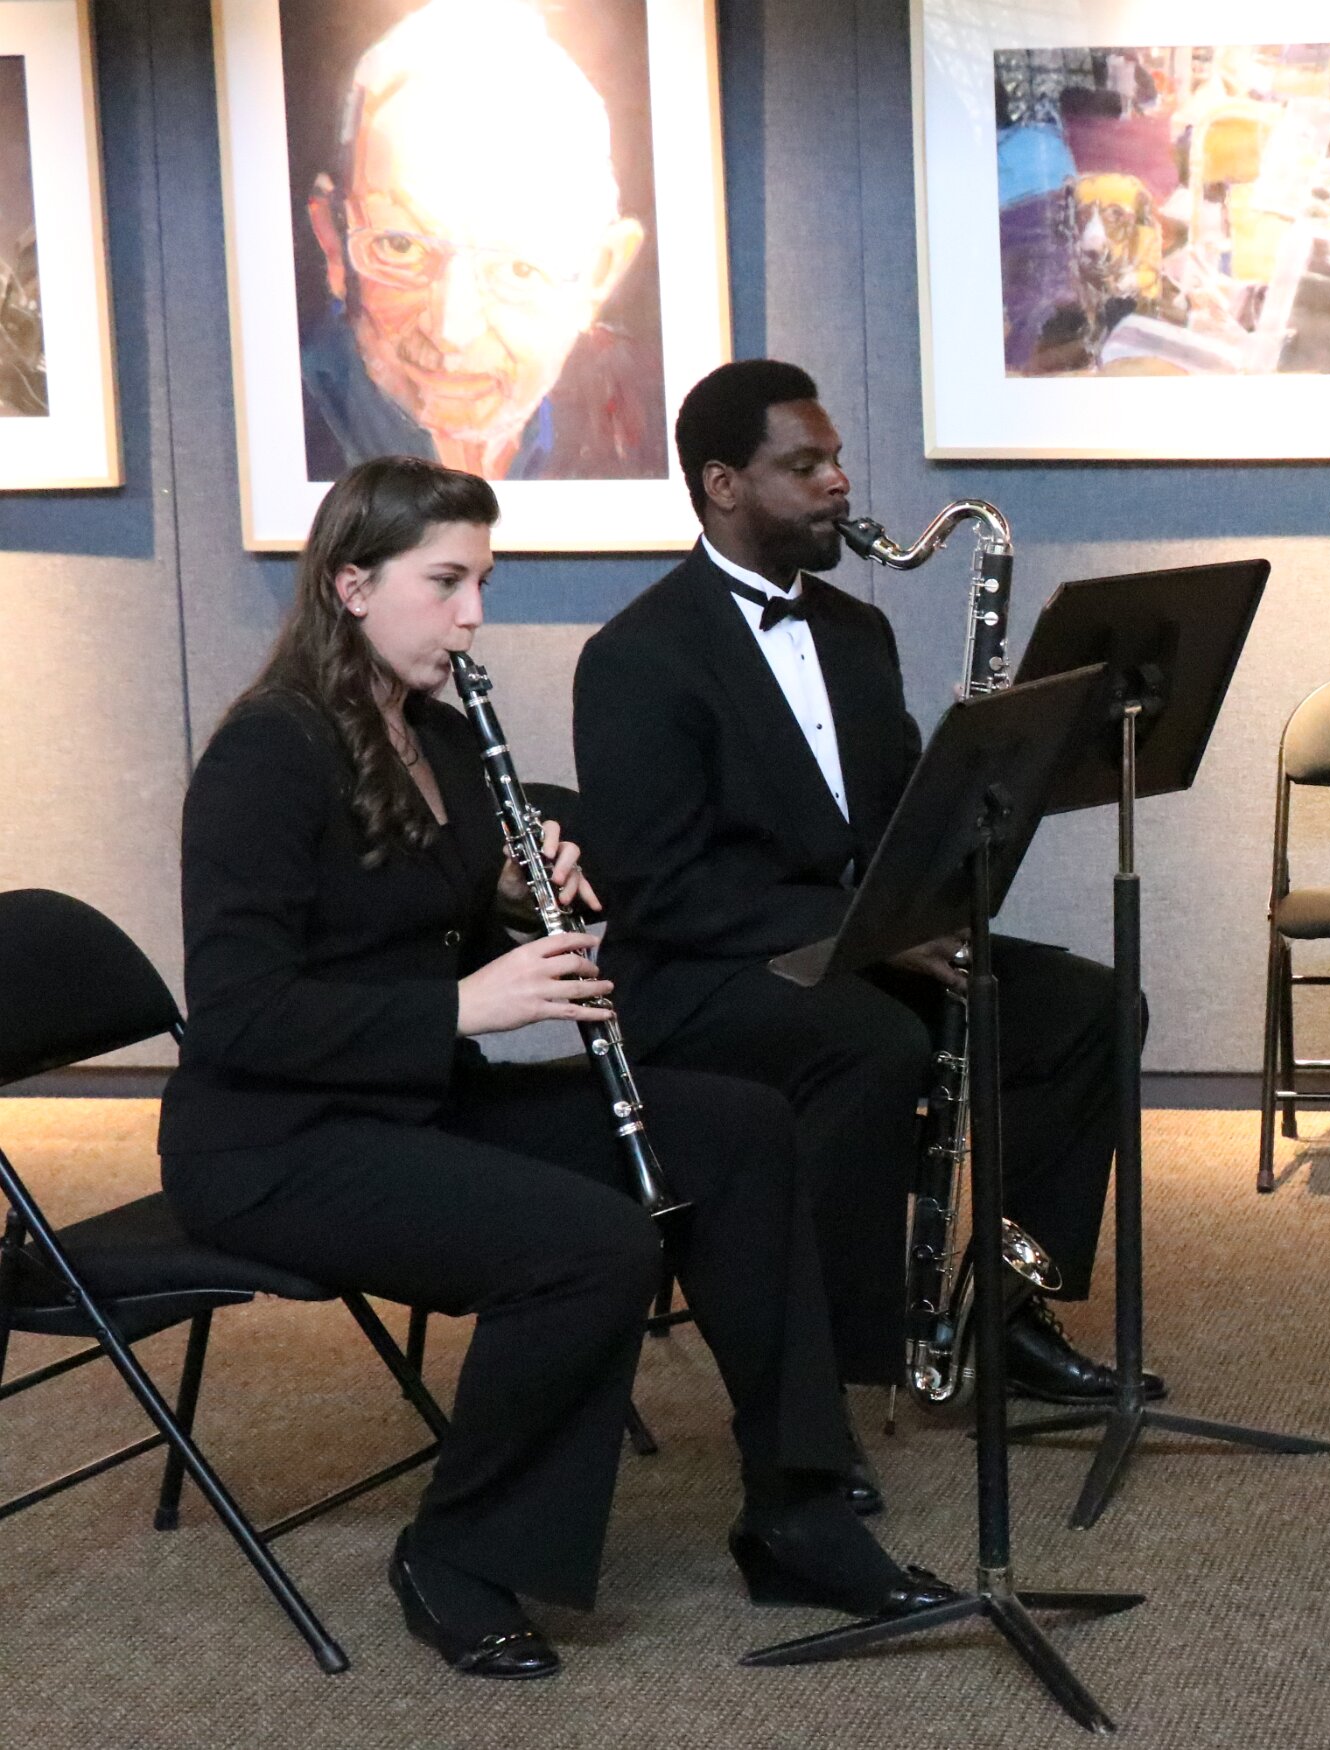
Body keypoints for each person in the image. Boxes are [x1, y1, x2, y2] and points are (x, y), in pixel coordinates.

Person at [158, 458, 955, 1681]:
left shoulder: (433, 731)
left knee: (739, 1131)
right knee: (592, 1242)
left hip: (418, 1102)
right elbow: (237, 1016)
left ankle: (798, 1511)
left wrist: (517, 897)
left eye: (482, 582)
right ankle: (456, 1554)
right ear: (351, 585)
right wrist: (463, 1003)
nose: (473, 615)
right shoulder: (268, 755)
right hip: (275, 1142)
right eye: (446, 583)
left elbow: (402, 922)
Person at [571, 358, 1158, 1417]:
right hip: (701, 975)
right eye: (805, 466)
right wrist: (872, 932)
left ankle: (1005, 1313)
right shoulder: (635, 657)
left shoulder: (857, 631)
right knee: (875, 1044)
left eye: (836, 459)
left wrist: (982, 793)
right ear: (723, 485)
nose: (838, 481)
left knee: (1089, 1006)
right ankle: (825, 1377)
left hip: (845, 946)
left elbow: (888, 826)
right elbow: (659, 890)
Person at [299, 0, 662, 481]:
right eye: (401, 246)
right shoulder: (297, 415)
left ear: (598, 276)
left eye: (519, 269)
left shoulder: (640, 416)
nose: (453, 328)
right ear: (333, 241)